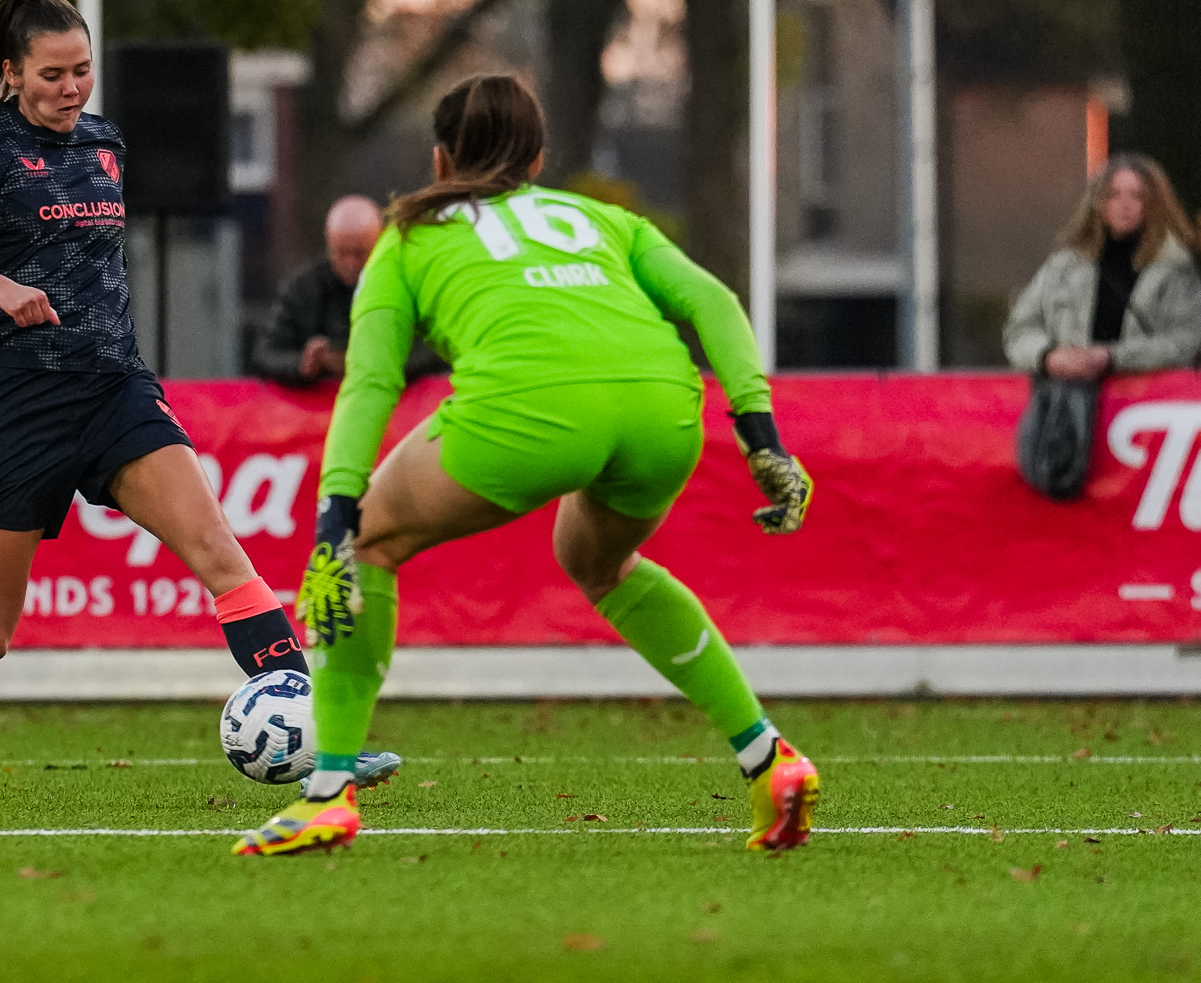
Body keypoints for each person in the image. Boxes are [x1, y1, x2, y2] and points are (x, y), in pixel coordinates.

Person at [235, 75, 820, 858]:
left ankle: (326, 792)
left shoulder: (407, 236)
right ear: (539, 160)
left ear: (439, 158)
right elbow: (713, 300)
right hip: (661, 407)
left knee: (370, 544)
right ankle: (767, 756)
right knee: (598, 561)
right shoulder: (603, 217)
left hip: (529, 410)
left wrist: (337, 513)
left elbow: (370, 381)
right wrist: (760, 431)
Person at [0, 0, 397, 806]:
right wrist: (1, 288)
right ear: (12, 71)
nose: (70, 87)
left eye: (81, 71)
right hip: (17, 401)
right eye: (51, 74)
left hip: (115, 389)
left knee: (222, 554)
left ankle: (323, 739)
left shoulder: (107, 141)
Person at [1003, 153, 1201, 380]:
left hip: (1145, 401)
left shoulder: (1175, 267)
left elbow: (1187, 340)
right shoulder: (1064, 266)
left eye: (1137, 196)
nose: (1125, 205)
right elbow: (1019, 330)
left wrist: (1112, 357)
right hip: (1069, 397)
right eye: (1113, 195)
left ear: (1154, 204)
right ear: (1097, 202)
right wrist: (1048, 357)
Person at [251, 195, 383, 383]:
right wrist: (302, 364)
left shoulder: (400, 284)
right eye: (341, 252)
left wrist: (375, 362)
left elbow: (431, 350)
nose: (351, 263)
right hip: (311, 404)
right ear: (329, 244)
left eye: (360, 253)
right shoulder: (303, 288)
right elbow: (265, 353)